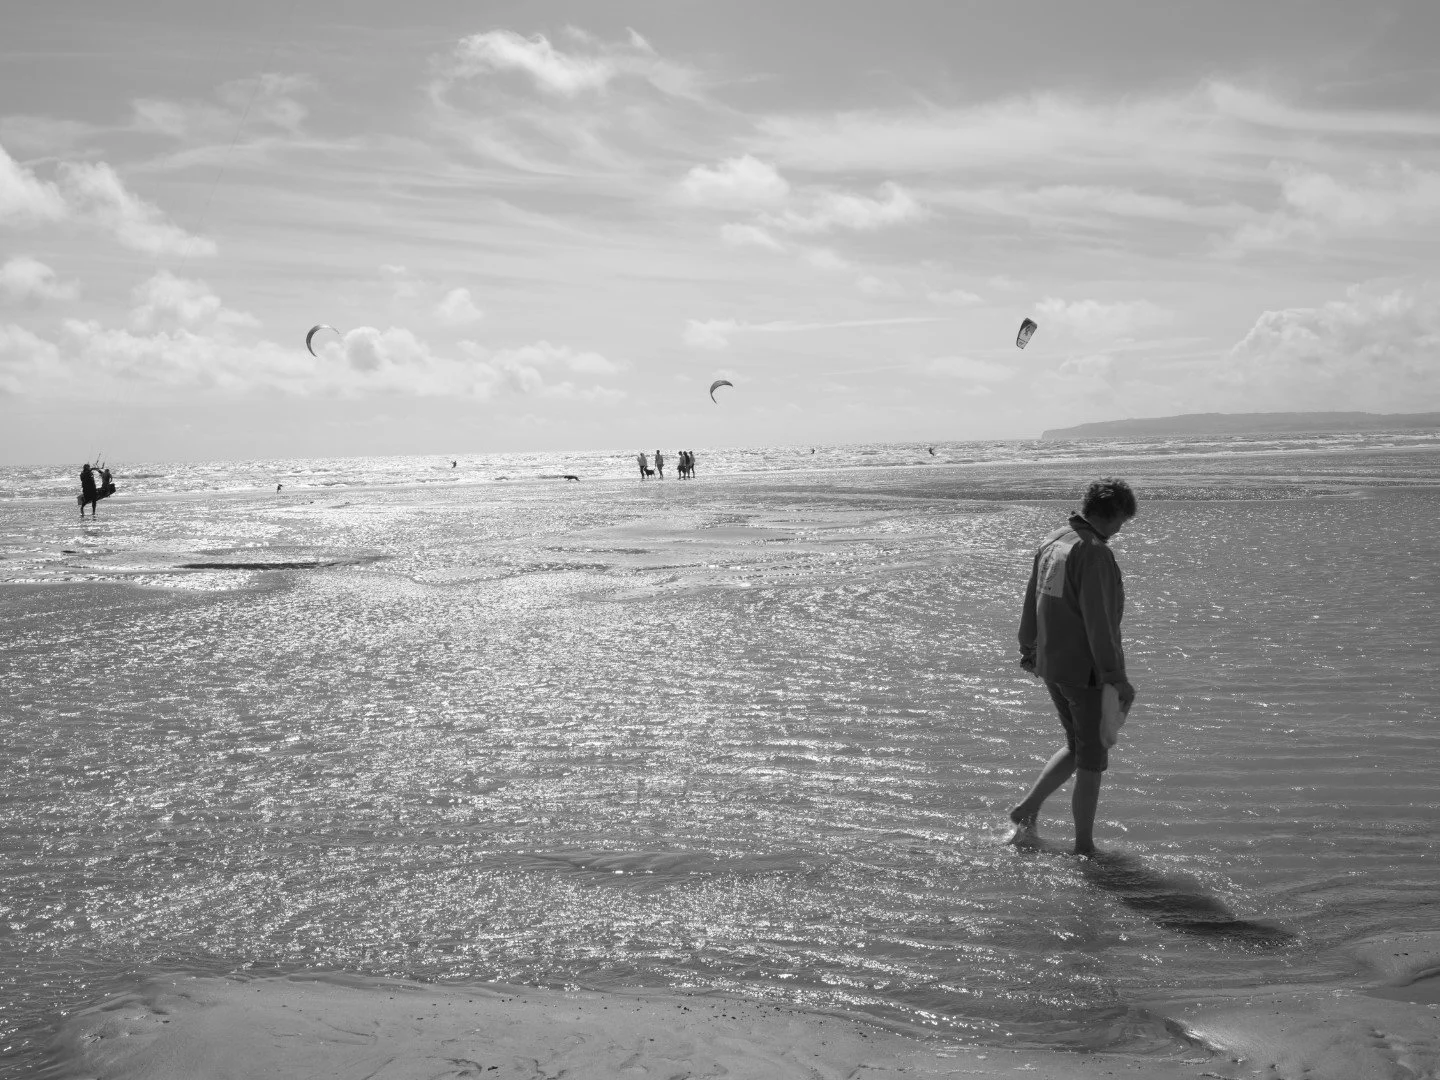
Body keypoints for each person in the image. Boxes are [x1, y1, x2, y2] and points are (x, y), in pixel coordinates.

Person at [1009, 478, 1137, 856]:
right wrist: (1116, 677)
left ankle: (1026, 808)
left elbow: (1030, 602)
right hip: (1085, 671)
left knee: (1076, 746)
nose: (1118, 531)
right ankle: (1085, 847)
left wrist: (1028, 649)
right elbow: (1099, 623)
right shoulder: (1093, 552)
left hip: (1052, 664)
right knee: (1093, 760)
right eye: (1120, 523)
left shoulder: (1054, 540)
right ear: (1109, 513)